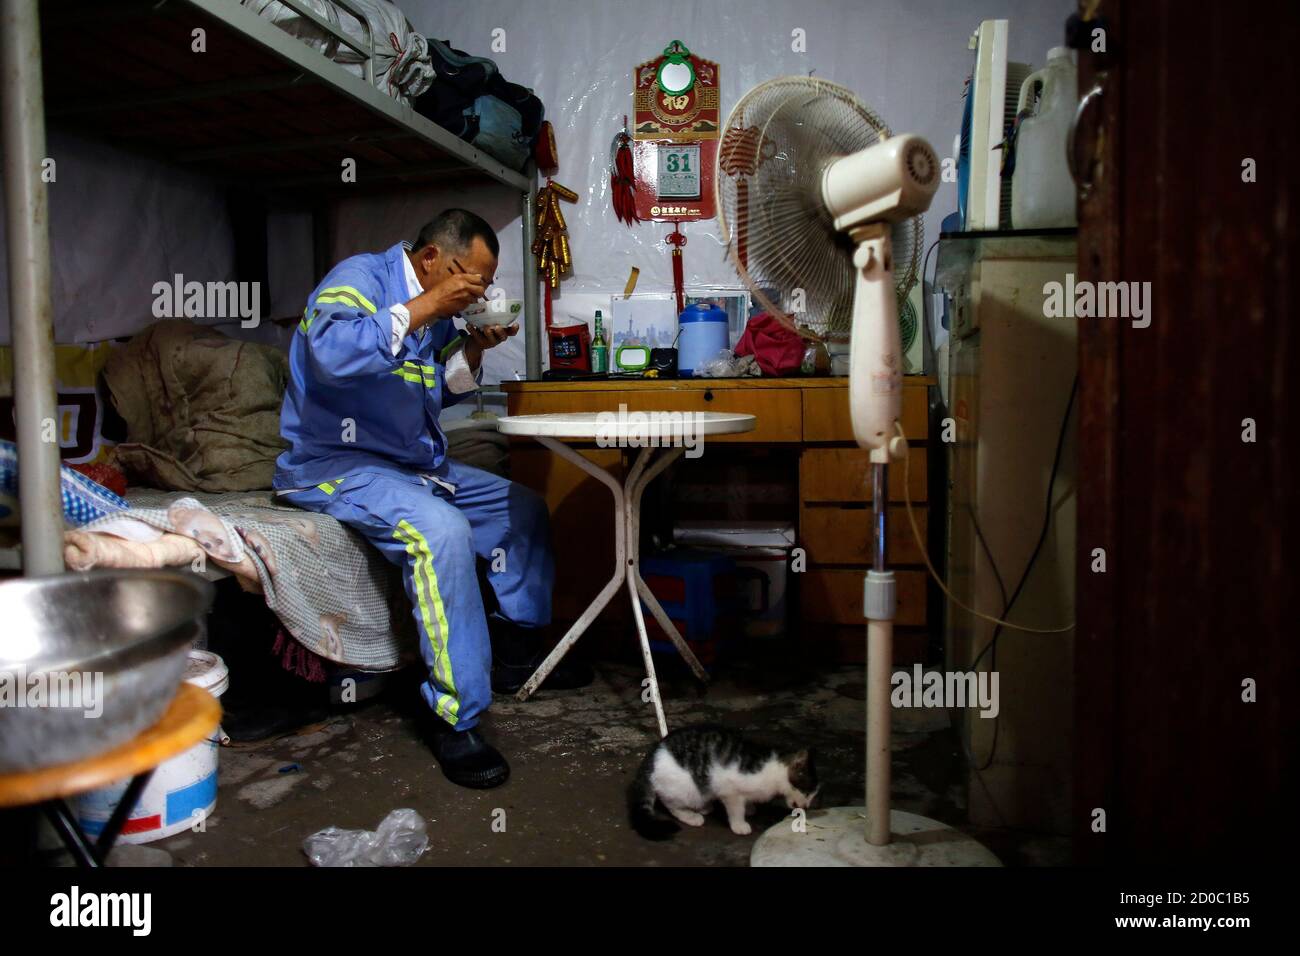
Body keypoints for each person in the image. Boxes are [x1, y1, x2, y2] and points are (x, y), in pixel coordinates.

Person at [275, 208, 591, 789]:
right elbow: (331, 352)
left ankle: (518, 647)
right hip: (336, 466)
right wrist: (428, 306)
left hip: (414, 466)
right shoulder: (359, 281)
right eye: (472, 278)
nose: (480, 291)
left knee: (520, 509)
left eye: (485, 284)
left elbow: (438, 390)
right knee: (442, 531)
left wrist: (473, 347)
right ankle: (456, 716)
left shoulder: (438, 313)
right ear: (431, 261)